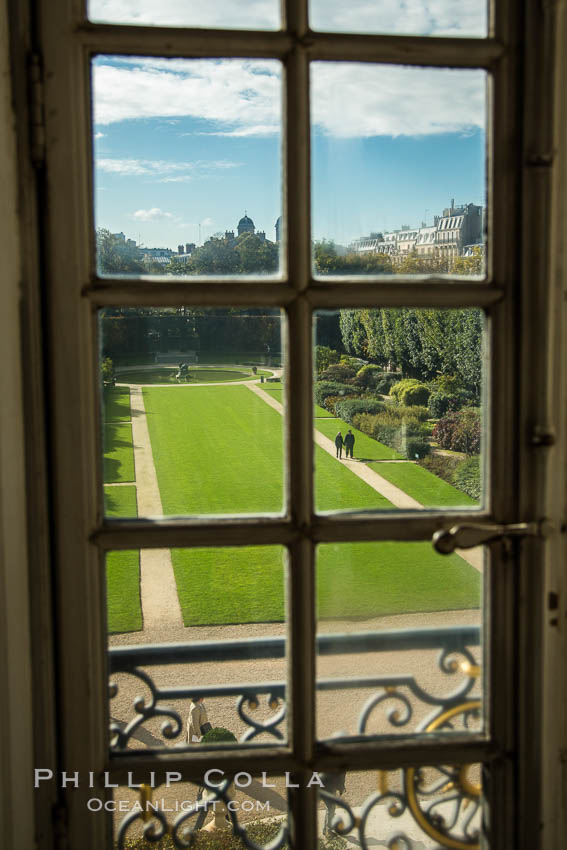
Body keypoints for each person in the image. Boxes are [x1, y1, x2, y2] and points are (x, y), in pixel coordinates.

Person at [320, 770, 346, 836]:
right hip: (329, 786)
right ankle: (328, 830)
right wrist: (341, 788)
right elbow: (341, 774)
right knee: (330, 808)